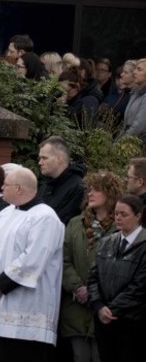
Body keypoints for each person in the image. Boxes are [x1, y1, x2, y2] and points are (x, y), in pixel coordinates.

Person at [0, 167, 65, 362]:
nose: (2, 190)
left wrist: (0, 286)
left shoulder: (45, 218)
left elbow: (32, 260)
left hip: (25, 311)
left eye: (5, 186)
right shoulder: (5, 213)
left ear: (19, 189)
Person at [60, 171, 123, 362]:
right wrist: (77, 287)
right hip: (75, 309)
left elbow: (121, 268)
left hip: (105, 308)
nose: (90, 193)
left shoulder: (120, 227)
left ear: (110, 194)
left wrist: (94, 293)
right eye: (89, 189)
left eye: (96, 189)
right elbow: (64, 260)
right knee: (79, 356)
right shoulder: (75, 224)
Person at [87, 194, 146, 362]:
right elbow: (92, 278)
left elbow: (140, 287)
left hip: (132, 324)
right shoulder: (106, 242)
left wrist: (112, 310)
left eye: (124, 214)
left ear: (138, 216)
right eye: (116, 213)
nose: (118, 218)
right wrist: (99, 306)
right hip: (103, 323)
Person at [37, 136, 86, 225]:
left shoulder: (77, 187)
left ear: (59, 158)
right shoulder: (46, 185)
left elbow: (61, 222)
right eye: (40, 158)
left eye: (44, 158)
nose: (40, 162)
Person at [117, 57, 146, 140]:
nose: (134, 72)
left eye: (139, 69)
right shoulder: (135, 93)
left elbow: (138, 127)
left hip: (136, 146)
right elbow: (126, 124)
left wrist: (120, 143)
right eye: (135, 69)